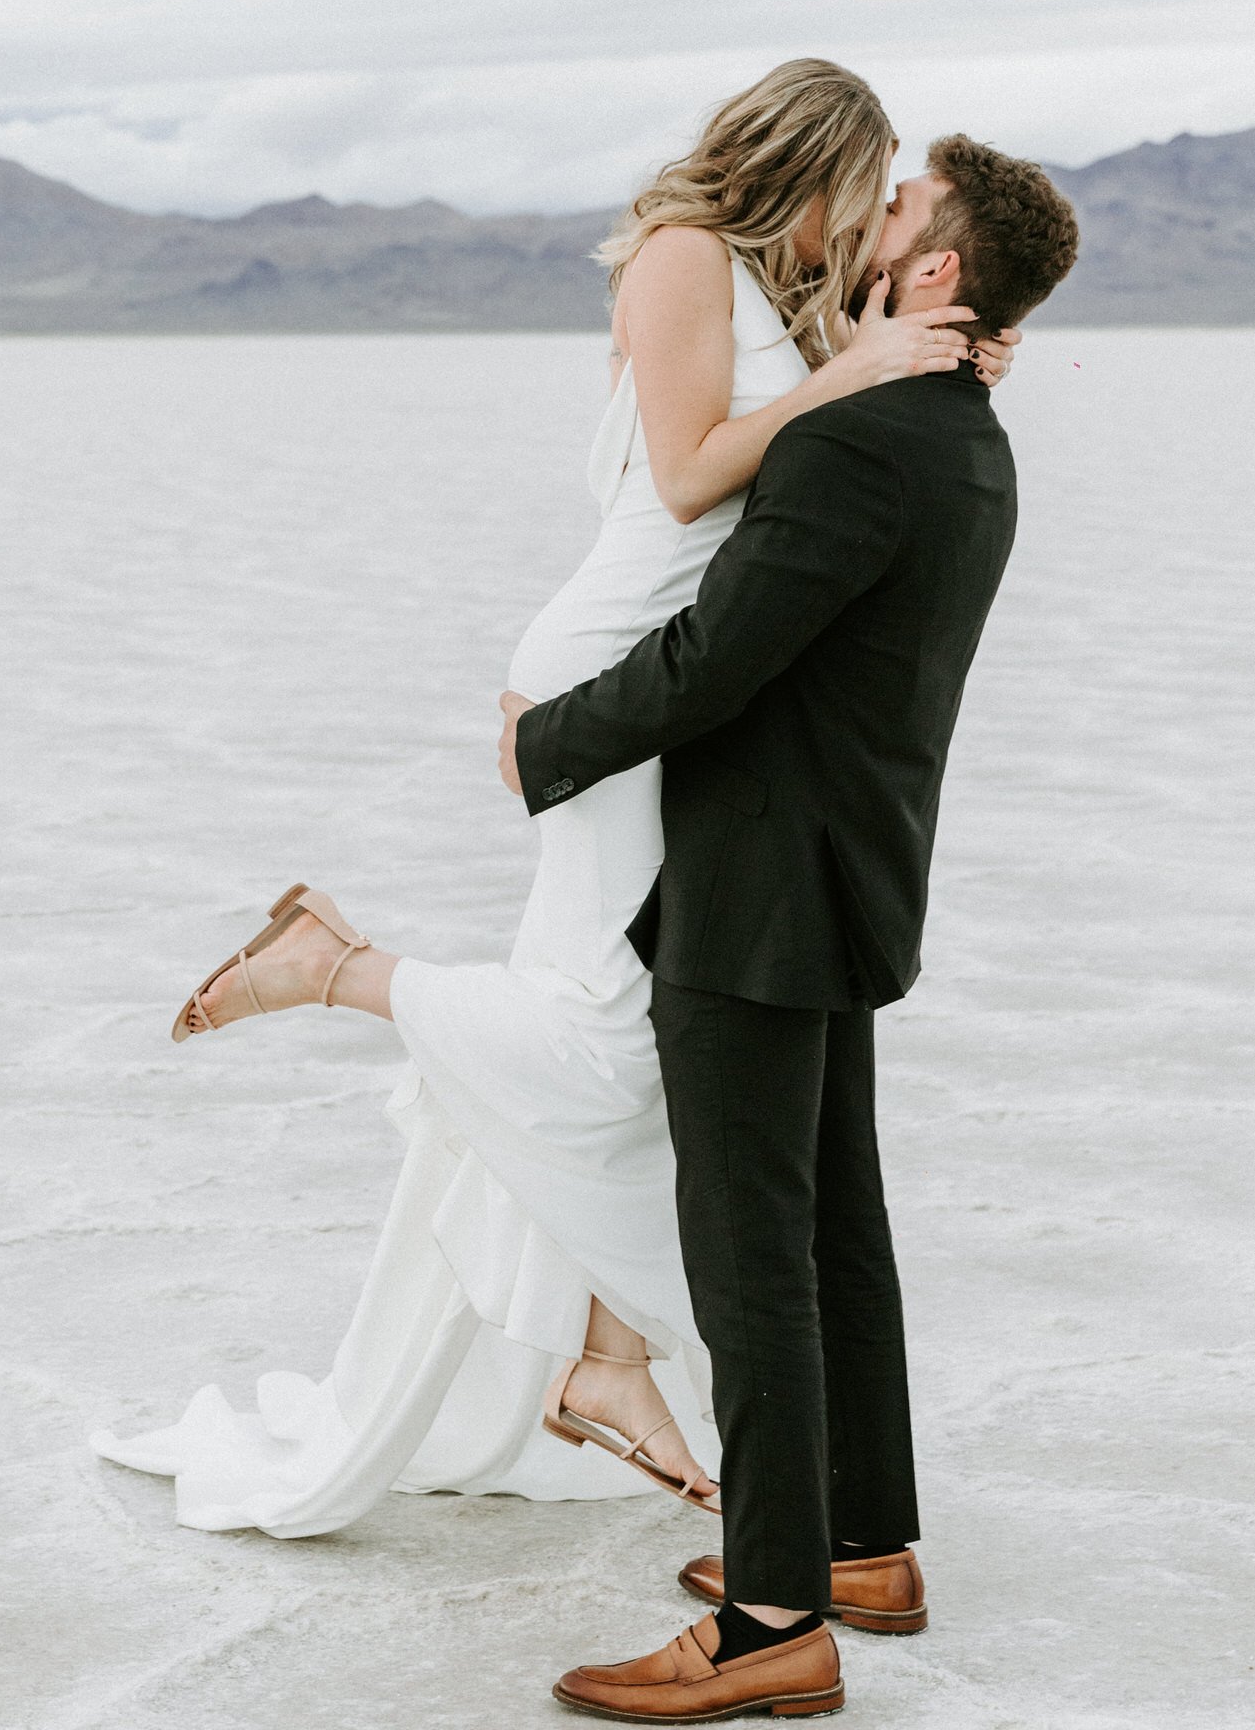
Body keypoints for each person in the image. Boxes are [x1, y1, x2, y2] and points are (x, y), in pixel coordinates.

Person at [93, 61, 1015, 1539]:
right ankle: (337, 969)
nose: (872, 212)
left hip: (667, 685)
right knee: (607, 1036)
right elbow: (691, 472)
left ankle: (606, 1359)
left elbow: (865, 393)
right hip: (611, 677)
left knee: (648, 1039)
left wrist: (934, 354)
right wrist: (853, 373)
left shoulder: (790, 295)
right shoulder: (679, 257)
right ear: (814, 159)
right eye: (871, 178)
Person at [497, 132, 1079, 1722]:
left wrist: (543, 742)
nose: (869, 225)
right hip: (853, 873)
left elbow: (716, 661)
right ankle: (862, 1545)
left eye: (897, 212)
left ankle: (770, 1626)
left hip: (759, 892)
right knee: (834, 1228)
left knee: (751, 1253)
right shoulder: (961, 433)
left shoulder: (864, 440)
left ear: (938, 269)